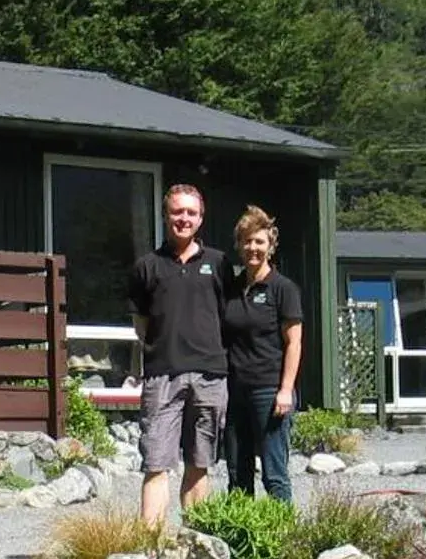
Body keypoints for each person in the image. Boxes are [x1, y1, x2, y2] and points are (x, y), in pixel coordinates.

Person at [128, 184, 227, 528]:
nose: (183, 218)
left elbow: (227, 316)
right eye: (177, 211)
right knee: (156, 462)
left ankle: (197, 543)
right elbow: (141, 324)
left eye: (191, 212)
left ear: (201, 218)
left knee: (200, 462)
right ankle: (150, 546)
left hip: (210, 376)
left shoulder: (218, 264)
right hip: (162, 375)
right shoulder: (147, 266)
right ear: (165, 215)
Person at [220, 205, 304, 504]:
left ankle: (284, 539)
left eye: (259, 242)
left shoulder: (283, 289)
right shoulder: (231, 287)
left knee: (274, 472)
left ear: (270, 245)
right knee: (236, 472)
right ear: (239, 245)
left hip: (268, 391)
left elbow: (294, 343)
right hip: (234, 390)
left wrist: (285, 390)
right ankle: (242, 542)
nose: (252, 248)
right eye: (247, 241)